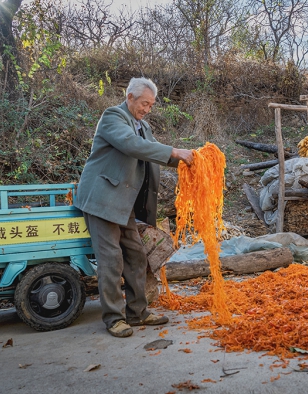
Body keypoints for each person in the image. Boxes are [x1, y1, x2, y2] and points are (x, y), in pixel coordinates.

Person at [75, 77, 193, 338]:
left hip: (123, 203)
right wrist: (175, 151)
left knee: (137, 256)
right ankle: (114, 318)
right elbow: (132, 146)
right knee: (111, 260)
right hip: (102, 200)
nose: (147, 109)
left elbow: (151, 153)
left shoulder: (143, 126)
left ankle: (137, 312)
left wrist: (191, 161)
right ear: (129, 97)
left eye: (151, 105)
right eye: (144, 103)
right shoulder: (113, 117)